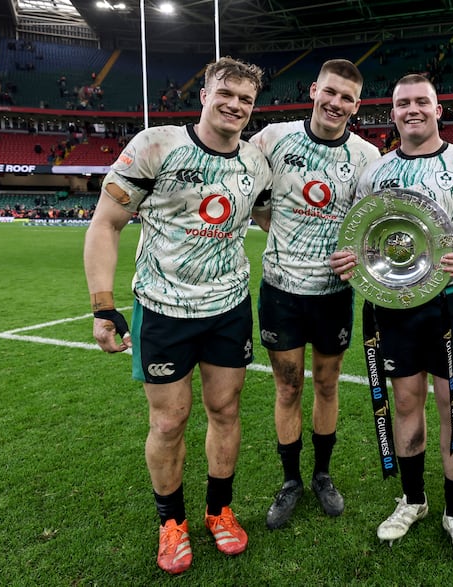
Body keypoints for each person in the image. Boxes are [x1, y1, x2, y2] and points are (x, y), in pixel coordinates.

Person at [83, 56, 271, 576]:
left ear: (252, 109)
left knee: (226, 411)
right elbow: (105, 225)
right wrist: (103, 305)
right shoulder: (155, 146)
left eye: (245, 99)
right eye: (225, 93)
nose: (234, 105)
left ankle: (219, 510)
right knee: (169, 420)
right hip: (163, 308)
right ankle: (171, 523)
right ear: (205, 95)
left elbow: (273, 216)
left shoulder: (257, 163)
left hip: (229, 306)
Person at [329, 74, 453, 563]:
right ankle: (412, 501)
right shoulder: (375, 173)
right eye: (403, 103)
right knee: (405, 403)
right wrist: (347, 260)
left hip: (452, 299)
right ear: (392, 112)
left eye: (421, 102)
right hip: (389, 306)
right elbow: (356, 239)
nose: (413, 110)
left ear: (437, 109)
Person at [249, 59, 381, 529]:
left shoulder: (367, 157)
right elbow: (254, 202)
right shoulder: (273, 139)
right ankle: (290, 482)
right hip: (281, 291)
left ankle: (322, 475)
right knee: (287, 387)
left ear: (357, 105)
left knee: (326, 385)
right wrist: (283, 234)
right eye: (330, 92)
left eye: (347, 97)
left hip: (333, 294)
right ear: (313, 90)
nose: (336, 103)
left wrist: (357, 257)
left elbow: (372, 227)